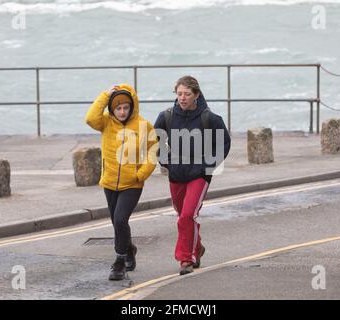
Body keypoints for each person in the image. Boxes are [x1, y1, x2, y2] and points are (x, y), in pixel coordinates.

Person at [154, 76, 231, 275]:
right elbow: (156, 140)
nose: (182, 98)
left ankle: (186, 260)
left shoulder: (209, 118)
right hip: (176, 174)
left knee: (187, 215)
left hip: (199, 174)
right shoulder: (167, 116)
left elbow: (223, 143)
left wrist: (209, 165)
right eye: (179, 94)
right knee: (183, 216)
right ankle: (197, 248)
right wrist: (165, 160)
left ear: (196, 95)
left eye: (187, 94)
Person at [85, 84, 157, 281]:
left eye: (126, 107)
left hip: (132, 184)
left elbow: (154, 150)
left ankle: (119, 262)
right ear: (112, 109)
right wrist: (105, 94)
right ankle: (130, 249)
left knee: (120, 220)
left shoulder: (143, 125)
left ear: (132, 106)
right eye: (118, 108)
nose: (122, 111)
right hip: (109, 182)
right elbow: (90, 118)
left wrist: (141, 173)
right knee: (117, 223)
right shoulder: (106, 123)